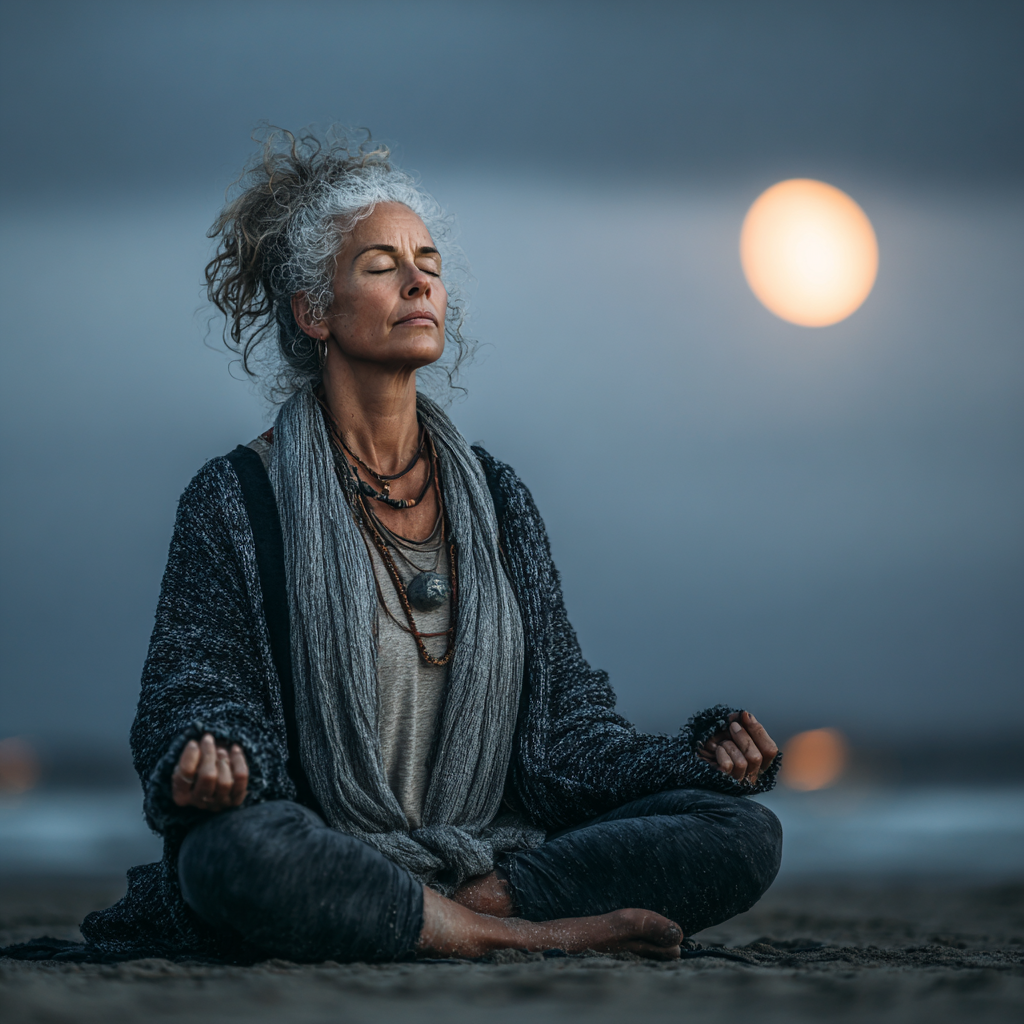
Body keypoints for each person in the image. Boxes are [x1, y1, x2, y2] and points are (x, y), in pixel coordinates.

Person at [83, 130, 782, 964]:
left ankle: (458, 916)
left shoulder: (496, 498)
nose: (419, 282)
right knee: (230, 856)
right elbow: (194, 684)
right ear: (314, 311)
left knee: (741, 832)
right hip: (326, 846)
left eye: (430, 264)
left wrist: (695, 759)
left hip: (485, 855)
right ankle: (514, 936)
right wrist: (215, 752)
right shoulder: (237, 498)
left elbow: (567, 730)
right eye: (382, 266)